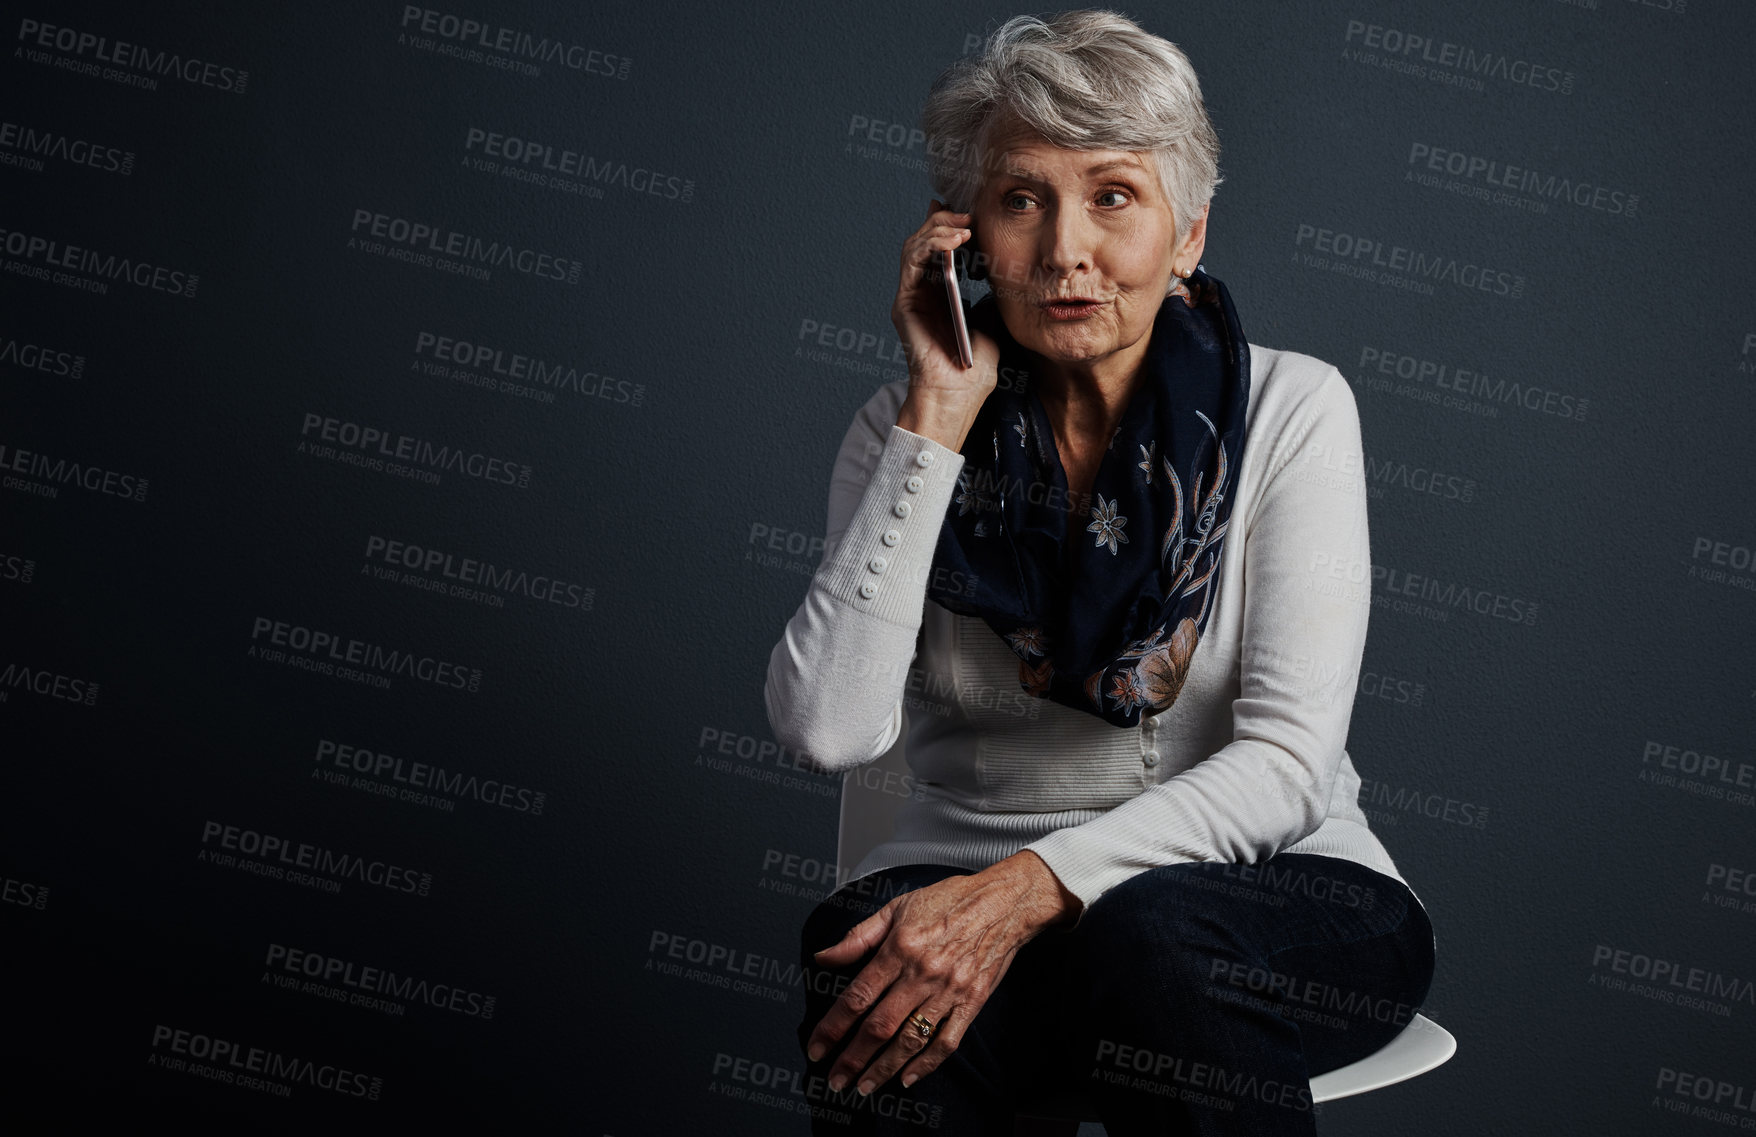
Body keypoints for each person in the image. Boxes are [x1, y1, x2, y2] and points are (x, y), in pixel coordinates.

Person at [764, 11, 1435, 1134]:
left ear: (1188, 235)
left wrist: (1029, 891)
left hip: (1274, 886)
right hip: (967, 868)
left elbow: (1282, 768)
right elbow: (825, 731)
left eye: (1113, 196)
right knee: (863, 969)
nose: (1066, 249)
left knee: (1151, 938)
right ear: (965, 234)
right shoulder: (897, 425)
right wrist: (936, 418)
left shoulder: (1292, 408)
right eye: (1022, 199)